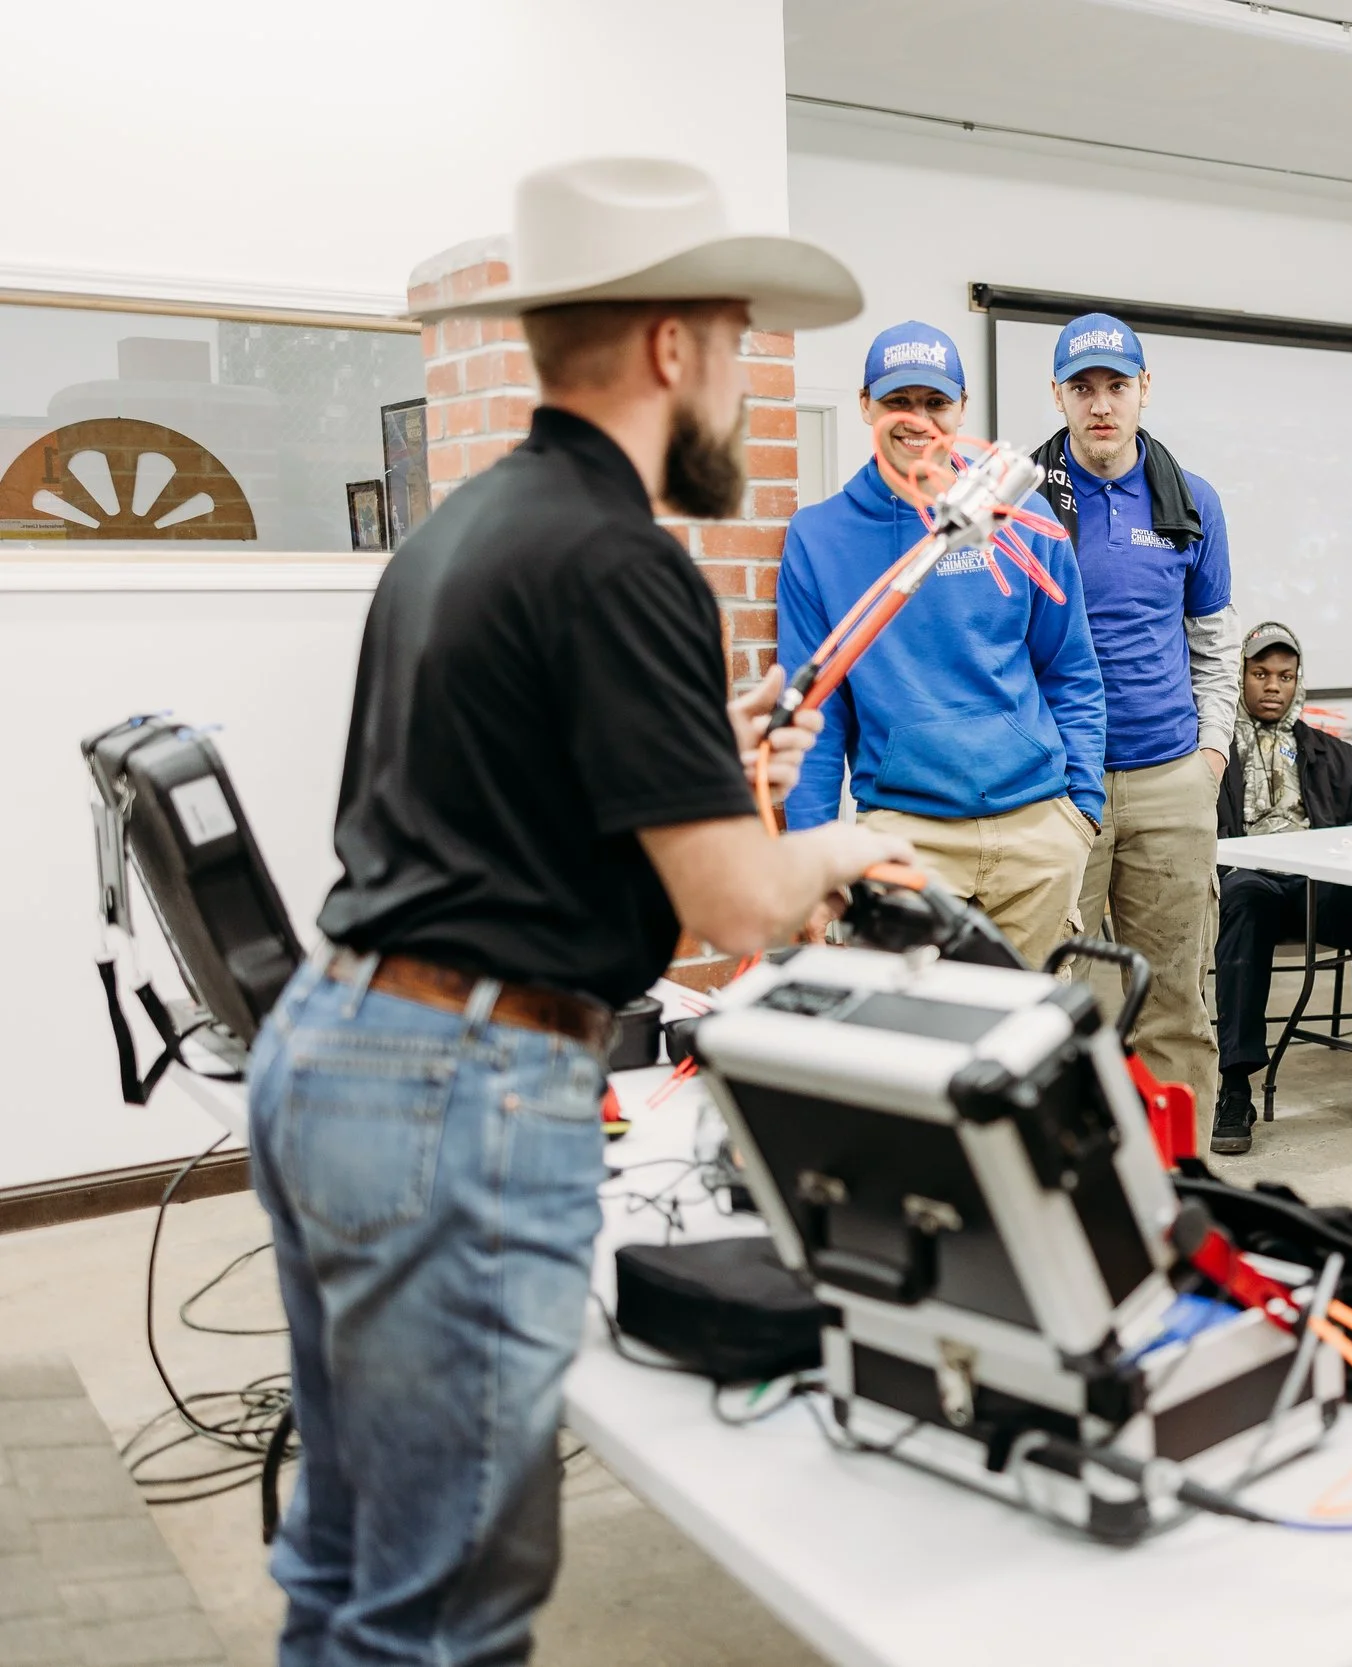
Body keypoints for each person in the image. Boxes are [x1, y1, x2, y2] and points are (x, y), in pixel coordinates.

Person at [249, 159, 909, 1665]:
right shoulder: (625, 558)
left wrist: (704, 755)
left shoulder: (462, 531)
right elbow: (740, 903)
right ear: (676, 346)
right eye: (740, 345)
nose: (743, 389)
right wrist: (844, 839)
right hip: (457, 1089)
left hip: (332, 1052)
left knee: (348, 1561)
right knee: (445, 1614)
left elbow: (494, 807)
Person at [779, 320, 1106, 967]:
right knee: (916, 1047)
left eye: (935, 403)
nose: (917, 420)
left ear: (961, 410)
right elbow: (814, 713)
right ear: (866, 404)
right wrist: (814, 863)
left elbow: (1070, 670)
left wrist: (1082, 812)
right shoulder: (820, 537)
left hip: (1035, 825)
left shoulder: (1022, 518)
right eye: (899, 401)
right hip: (905, 835)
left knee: (1029, 1044)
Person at [1032, 312, 1239, 1115]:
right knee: (1061, 993)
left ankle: (1178, 1171)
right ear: (1057, 394)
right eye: (1082, 388)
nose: (1101, 405)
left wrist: (1209, 758)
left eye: (1117, 385)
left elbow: (1216, 643)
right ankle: (1077, 1172)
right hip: (1055, 786)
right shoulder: (1021, 498)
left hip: (1169, 779)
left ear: (1144, 388)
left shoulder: (1191, 501)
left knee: (1176, 995)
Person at [1210, 622, 1352, 1153]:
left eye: (1285, 676)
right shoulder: (1210, 757)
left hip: (1319, 893)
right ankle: (1236, 1087)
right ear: (1238, 677)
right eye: (1259, 673)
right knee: (1245, 896)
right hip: (1249, 894)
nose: (1272, 686)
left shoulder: (1336, 756)